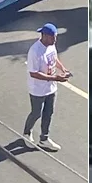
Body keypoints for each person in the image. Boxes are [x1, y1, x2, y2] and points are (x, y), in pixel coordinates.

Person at [23, 23, 70, 151]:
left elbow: (54, 58)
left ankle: (44, 138)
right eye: (53, 37)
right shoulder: (34, 51)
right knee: (36, 113)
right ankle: (26, 133)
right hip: (37, 89)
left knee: (48, 112)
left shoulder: (51, 45)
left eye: (56, 37)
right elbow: (33, 73)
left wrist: (62, 69)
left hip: (51, 88)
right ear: (44, 36)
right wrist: (55, 78)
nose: (55, 40)